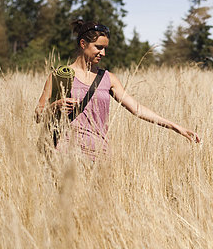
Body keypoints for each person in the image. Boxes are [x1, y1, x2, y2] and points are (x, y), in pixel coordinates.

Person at [35, 20, 201, 159]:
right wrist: (55, 106)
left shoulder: (108, 79)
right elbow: (38, 115)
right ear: (83, 43)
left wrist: (176, 127)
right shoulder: (60, 76)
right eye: (99, 47)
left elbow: (137, 109)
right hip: (65, 155)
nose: (103, 53)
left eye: (105, 48)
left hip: (100, 156)